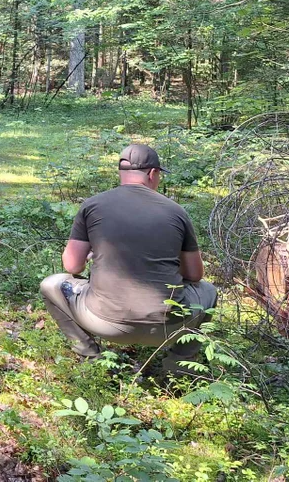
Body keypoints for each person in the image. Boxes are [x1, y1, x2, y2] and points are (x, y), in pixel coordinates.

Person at [39, 144, 218, 373]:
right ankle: (177, 368)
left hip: (103, 321)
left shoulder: (92, 205)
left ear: (121, 172)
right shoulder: (176, 211)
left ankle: (92, 361)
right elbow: (195, 275)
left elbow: (72, 265)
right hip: (169, 326)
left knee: (50, 284)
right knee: (209, 291)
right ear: (153, 173)